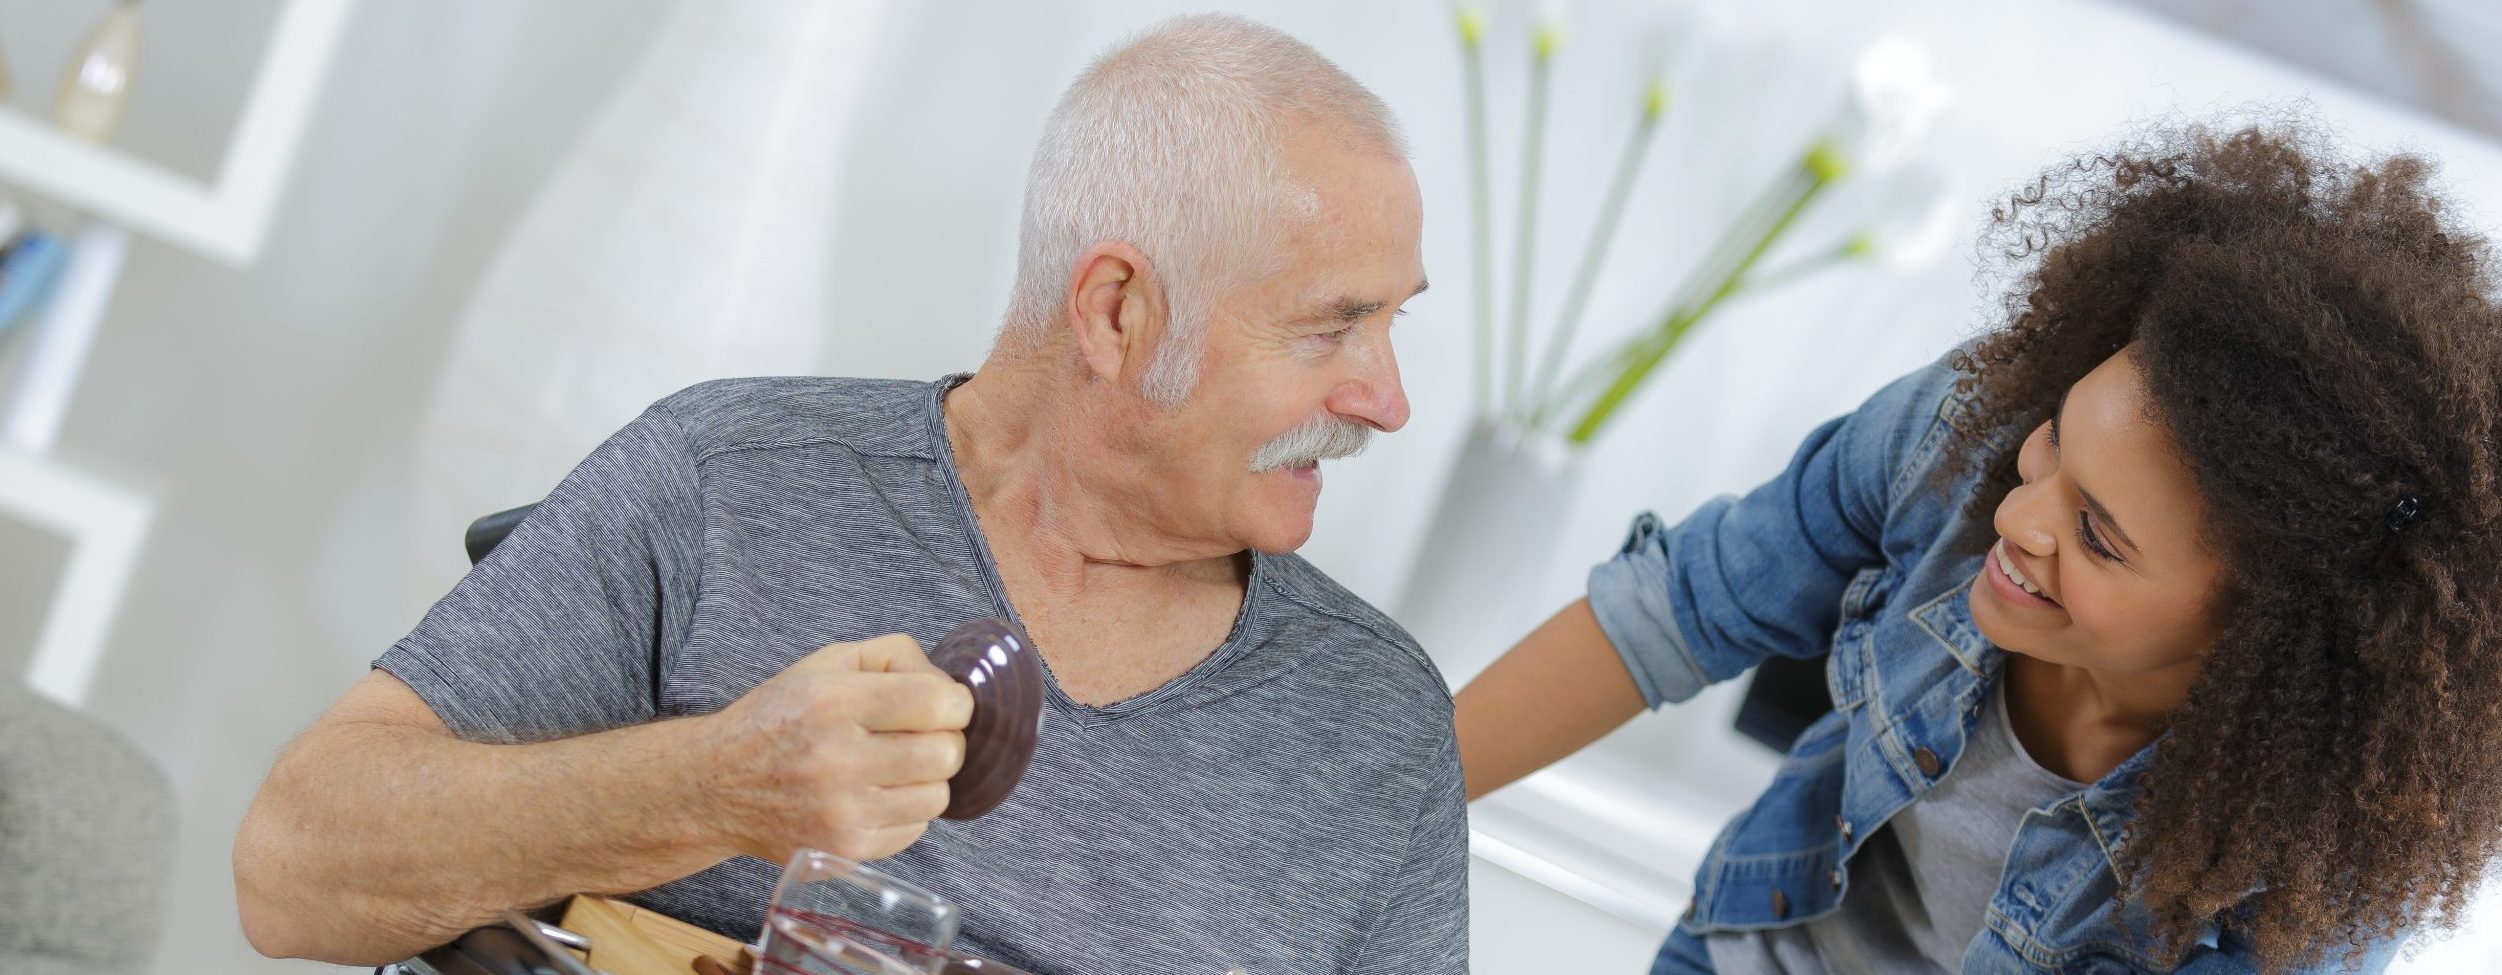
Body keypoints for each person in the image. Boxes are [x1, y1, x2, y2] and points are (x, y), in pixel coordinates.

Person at [233, 15, 1461, 975]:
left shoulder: (1376, 729)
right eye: (1330, 330)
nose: (1385, 400)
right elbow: (289, 871)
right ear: (1116, 312)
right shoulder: (733, 481)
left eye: (1391, 323)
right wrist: (708, 785)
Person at [1456, 121, 2502, 973]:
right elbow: (1677, 609)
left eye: (2098, 536)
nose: (2018, 517)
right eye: (2052, 444)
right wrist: (1367, 812)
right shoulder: (1965, 437)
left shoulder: (2298, 884)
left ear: (2259, 642)